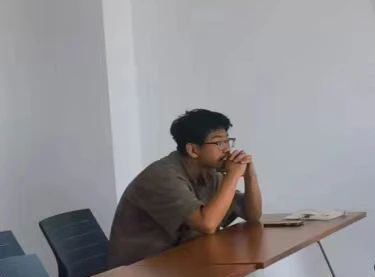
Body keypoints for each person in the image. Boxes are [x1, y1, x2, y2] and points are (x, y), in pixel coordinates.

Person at [108, 109, 261, 266]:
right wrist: (233, 176)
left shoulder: (210, 173)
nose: (227, 149)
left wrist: (250, 175)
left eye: (227, 141)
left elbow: (253, 215)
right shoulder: (162, 176)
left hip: (181, 262)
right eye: (219, 143)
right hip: (139, 271)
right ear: (193, 150)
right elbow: (207, 224)